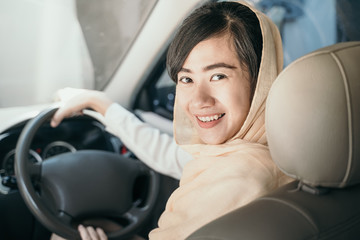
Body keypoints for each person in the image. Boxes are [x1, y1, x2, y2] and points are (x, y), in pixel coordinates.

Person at [51, 1, 293, 239]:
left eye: (218, 76)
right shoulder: (256, 153)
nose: (198, 100)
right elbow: (171, 155)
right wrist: (101, 105)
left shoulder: (240, 178)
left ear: (261, 79)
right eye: (186, 79)